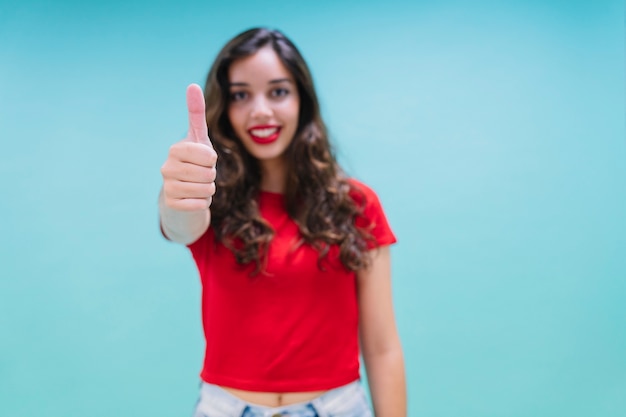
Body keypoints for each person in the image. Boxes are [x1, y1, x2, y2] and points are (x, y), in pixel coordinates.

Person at [159, 27, 406, 417]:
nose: (260, 110)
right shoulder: (212, 199)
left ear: (302, 102)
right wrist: (180, 194)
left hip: (337, 407)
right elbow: (180, 225)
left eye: (277, 91)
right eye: (241, 95)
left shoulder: (357, 205)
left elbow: (382, 346)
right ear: (224, 108)